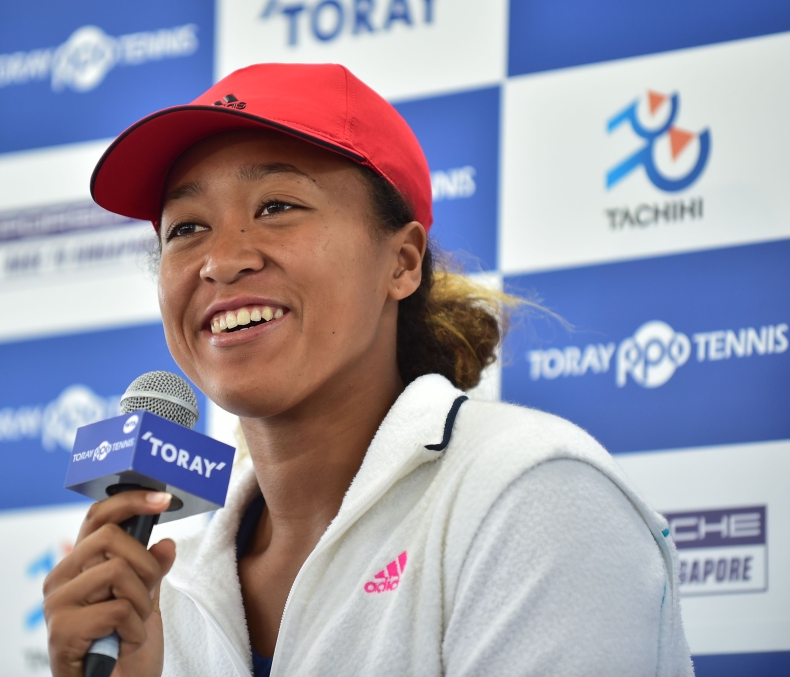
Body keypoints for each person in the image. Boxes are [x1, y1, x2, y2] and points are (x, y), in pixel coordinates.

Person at [42, 63, 693, 677]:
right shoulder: (163, 594)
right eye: (186, 228)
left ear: (402, 262)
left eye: (276, 207)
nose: (222, 260)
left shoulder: (529, 491)